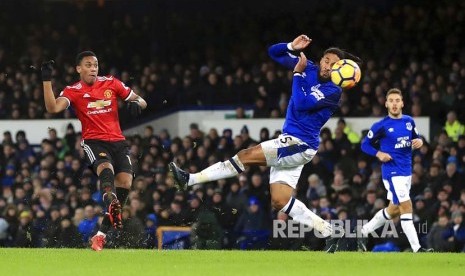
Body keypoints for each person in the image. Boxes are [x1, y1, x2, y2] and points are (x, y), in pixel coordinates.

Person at [170, 34, 360, 252]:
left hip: (301, 143)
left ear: (341, 70)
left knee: (245, 155)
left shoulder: (333, 91)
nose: (329, 66)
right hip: (293, 143)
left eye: (334, 65)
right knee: (280, 201)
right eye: (327, 61)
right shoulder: (310, 68)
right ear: (322, 60)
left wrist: (297, 73)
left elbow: (301, 103)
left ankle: (190, 180)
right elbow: (273, 53)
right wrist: (291, 46)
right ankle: (330, 231)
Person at [41, 51, 147, 251]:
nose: (93, 68)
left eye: (95, 65)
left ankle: (99, 236)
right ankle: (111, 201)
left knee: (125, 183)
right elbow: (53, 108)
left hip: (118, 141)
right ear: (78, 69)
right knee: (106, 169)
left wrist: (135, 103)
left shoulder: (111, 83)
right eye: (88, 65)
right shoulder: (73, 90)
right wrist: (47, 80)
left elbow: (142, 100)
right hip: (94, 142)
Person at [359, 88, 433, 253]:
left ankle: (363, 232)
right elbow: (364, 144)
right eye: (391, 101)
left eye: (397, 100)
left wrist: (419, 141)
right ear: (386, 104)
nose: (394, 104)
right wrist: (379, 153)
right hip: (392, 173)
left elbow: (416, 138)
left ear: (402, 103)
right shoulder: (381, 125)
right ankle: (418, 249)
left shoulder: (409, 121)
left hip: (406, 171)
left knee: (392, 210)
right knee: (407, 206)